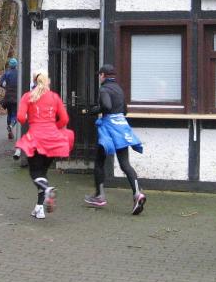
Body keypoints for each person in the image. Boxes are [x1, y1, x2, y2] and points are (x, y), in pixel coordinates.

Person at [84, 64, 146, 216]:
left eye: (99, 75)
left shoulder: (104, 89)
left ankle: (99, 196)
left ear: (103, 75)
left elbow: (106, 106)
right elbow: (125, 111)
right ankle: (137, 193)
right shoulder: (119, 89)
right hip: (121, 128)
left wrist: (94, 110)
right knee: (125, 164)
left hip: (108, 130)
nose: (99, 77)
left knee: (99, 162)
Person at [14, 71, 75, 219]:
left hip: (36, 139)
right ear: (48, 81)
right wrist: (53, 128)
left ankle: (47, 190)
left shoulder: (28, 96)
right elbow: (65, 119)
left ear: (34, 82)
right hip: (53, 139)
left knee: (35, 173)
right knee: (42, 173)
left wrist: (30, 120)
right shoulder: (54, 97)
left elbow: (20, 117)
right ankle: (39, 208)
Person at [0, 57, 19, 149]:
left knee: (9, 113)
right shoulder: (19, 73)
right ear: (16, 65)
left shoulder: (6, 73)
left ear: (10, 65)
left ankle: (9, 131)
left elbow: (1, 83)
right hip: (16, 97)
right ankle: (11, 126)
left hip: (7, 96)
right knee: (15, 114)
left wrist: (6, 87)